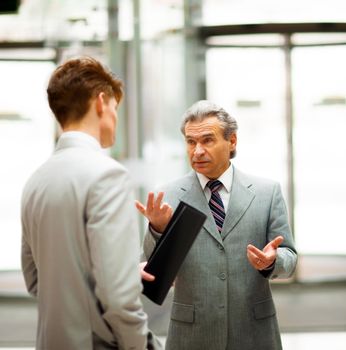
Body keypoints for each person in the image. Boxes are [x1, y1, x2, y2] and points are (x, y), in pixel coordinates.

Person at [21, 56, 160, 350]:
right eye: (115, 107)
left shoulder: (36, 181)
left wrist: (119, 270)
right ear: (101, 102)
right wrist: (138, 345)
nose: (116, 118)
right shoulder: (108, 175)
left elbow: (37, 281)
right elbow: (119, 298)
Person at [136, 100, 298, 350]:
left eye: (207, 140)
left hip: (254, 333)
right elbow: (150, 272)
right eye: (191, 142)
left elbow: (289, 257)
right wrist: (157, 230)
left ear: (232, 141)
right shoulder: (167, 196)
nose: (197, 151)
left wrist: (273, 261)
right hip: (191, 335)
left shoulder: (267, 193)